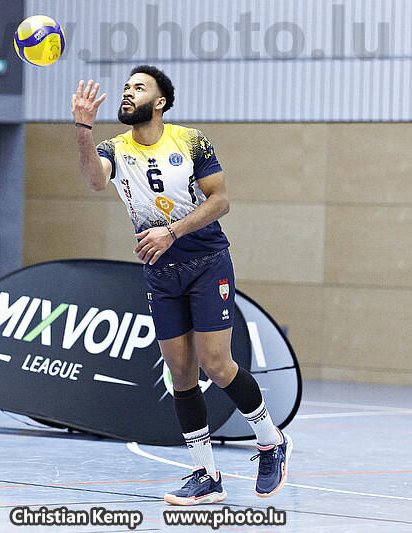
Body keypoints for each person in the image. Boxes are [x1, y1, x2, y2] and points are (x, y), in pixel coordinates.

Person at [71, 65, 292, 505]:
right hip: (160, 270)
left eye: (139, 87)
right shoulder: (115, 147)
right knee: (181, 375)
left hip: (207, 262)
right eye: (126, 87)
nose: (128, 92)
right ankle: (206, 475)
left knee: (217, 364)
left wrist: (171, 232)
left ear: (160, 102)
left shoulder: (190, 141)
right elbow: (95, 180)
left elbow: (220, 201)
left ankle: (271, 442)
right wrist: (82, 128)